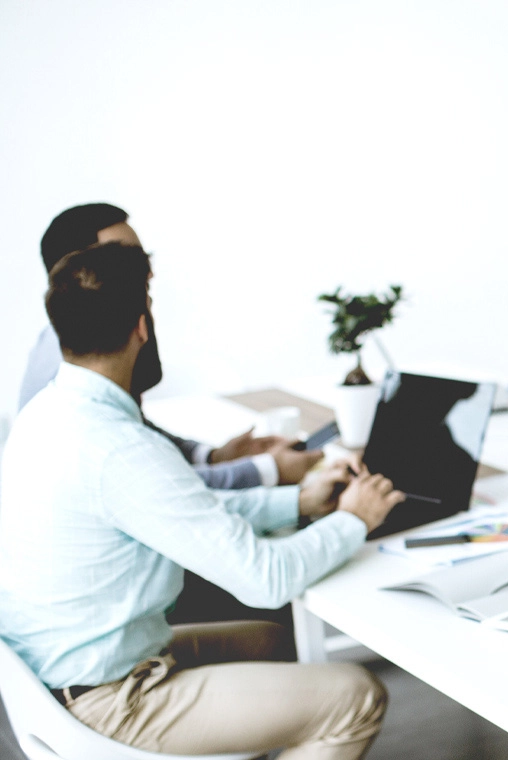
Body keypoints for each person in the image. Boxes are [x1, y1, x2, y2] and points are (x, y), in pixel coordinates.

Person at [0, 244, 405, 759]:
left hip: (54, 681)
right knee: (357, 695)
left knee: (274, 642)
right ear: (142, 325)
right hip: (113, 701)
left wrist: (299, 502)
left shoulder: (46, 415)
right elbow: (266, 579)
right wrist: (353, 520)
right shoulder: (120, 447)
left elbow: (181, 510)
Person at [19, 203, 318, 490]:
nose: (147, 272)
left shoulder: (83, 340)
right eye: (124, 257)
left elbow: (142, 434)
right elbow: (161, 486)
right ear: (81, 272)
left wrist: (213, 457)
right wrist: (268, 471)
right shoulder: (74, 364)